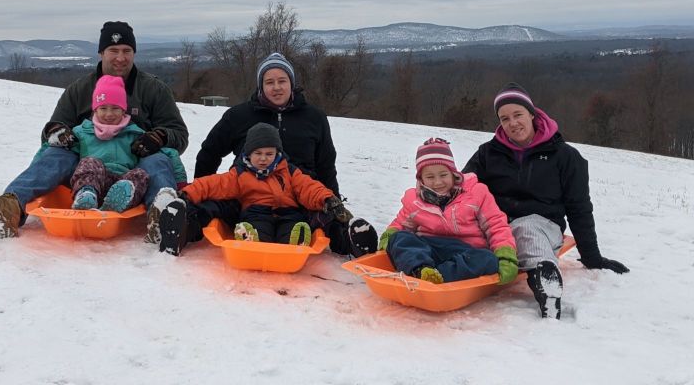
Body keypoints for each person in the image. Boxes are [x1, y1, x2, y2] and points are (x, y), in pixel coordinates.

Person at [0, 20, 189, 242]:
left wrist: (160, 137)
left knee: (159, 160)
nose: (120, 58)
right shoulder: (79, 90)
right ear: (101, 52)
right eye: (113, 51)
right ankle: (10, 208)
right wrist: (58, 133)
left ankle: (164, 220)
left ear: (134, 53)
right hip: (86, 168)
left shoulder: (153, 89)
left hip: (136, 168)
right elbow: (52, 132)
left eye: (126, 51)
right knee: (56, 155)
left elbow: (178, 133)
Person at [180, 52, 378, 257]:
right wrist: (198, 190)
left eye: (282, 81)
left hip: (300, 197)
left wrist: (332, 200)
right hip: (247, 196)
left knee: (327, 218)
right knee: (213, 206)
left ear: (291, 83)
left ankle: (352, 240)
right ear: (261, 86)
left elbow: (326, 164)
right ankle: (183, 226)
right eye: (269, 82)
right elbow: (209, 153)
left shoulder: (314, 117)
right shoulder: (238, 116)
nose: (276, 87)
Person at [463, 82, 629, 319]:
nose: (512, 123)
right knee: (471, 234)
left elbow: (579, 208)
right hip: (497, 224)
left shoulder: (565, 157)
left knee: (526, 230)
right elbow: (464, 188)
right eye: (504, 118)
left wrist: (592, 257)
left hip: (542, 225)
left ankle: (545, 282)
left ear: (532, 113)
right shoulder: (488, 153)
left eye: (518, 114)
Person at [161, 123, 353, 250]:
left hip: (289, 213)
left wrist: (327, 199)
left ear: (277, 154)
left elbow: (308, 188)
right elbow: (213, 184)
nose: (263, 159)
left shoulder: (289, 171)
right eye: (258, 153)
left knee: (291, 228)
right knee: (260, 231)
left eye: (269, 154)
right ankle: (250, 238)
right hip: (256, 214)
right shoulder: (240, 174)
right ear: (248, 154)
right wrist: (187, 194)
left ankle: (296, 241)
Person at [377, 138, 518, 285]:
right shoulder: (415, 200)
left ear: (453, 173)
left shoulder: (476, 193)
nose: (438, 182)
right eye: (430, 177)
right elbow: (401, 224)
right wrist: (389, 239)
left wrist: (505, 255)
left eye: (443, 175)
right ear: (421, 179)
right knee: (400, 237)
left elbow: (496, 226)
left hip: (466, 252)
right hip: (428, 249)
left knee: (487, 259)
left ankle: (440, 276)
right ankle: (421, 269)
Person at [67, 74, 150, 212]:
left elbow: (165, 153)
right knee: (90, 162)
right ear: (95, 110)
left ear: (123, 110)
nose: (109, 114)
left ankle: (117, 202)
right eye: (103, 108)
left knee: (141, 175)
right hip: (96, 181)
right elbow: (59, 151)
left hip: (123, 183)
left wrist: (180, 181)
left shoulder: (135, 133)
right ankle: (86, 195)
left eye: (115, 108)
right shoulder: (81, 131)